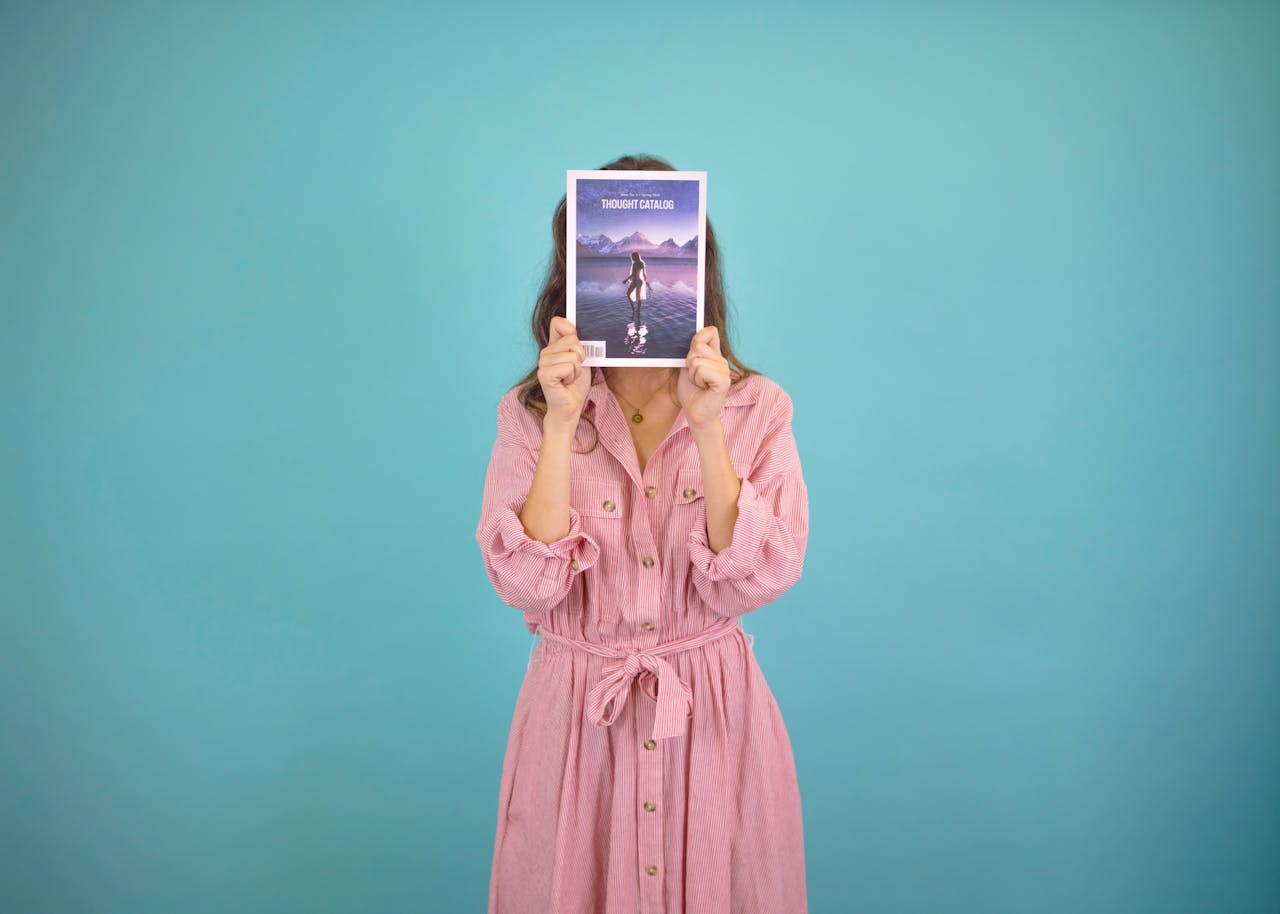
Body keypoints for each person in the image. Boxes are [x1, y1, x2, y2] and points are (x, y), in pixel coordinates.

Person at [475, 155, 810, 914]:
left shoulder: (758, 408)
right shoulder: (529, 414)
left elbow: (757, 579)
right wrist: (561, 424)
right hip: (574, 734)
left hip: (715, 725)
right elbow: (526, 584)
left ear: (695, 266)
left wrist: (706, 425)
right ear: (568, 273)